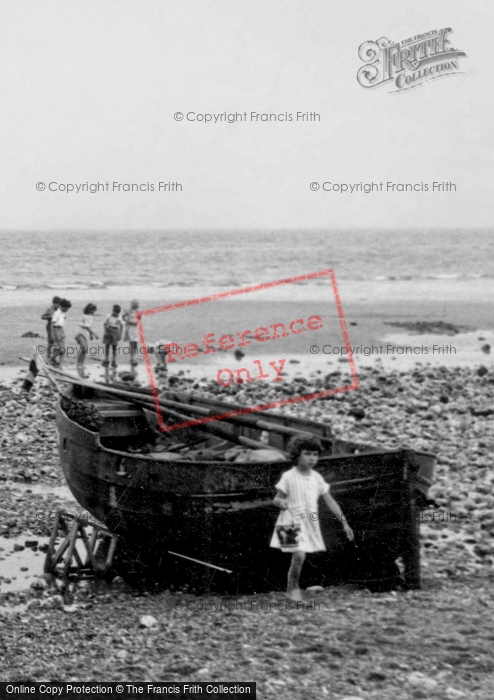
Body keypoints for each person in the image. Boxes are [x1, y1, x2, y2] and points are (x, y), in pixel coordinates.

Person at [271, 434, 354, 601]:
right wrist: (282, 503)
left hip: (309, 521)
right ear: (297, 455)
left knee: (302, 556)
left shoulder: (317, 478)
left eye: (315, 454)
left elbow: (330, 501)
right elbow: (276, 498)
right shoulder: (288, 476)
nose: (312, 458)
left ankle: (294, 587)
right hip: (289, 520)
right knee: (299, 555)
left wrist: (344, 522)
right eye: (307, 454)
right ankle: (292, 588)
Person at [75, 303, 98, 378]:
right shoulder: (85, 316)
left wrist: (91, 335)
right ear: (90, 310)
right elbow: (87, 327)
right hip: (80, 333)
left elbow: (89, 327)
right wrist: (94, 334)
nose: (94, 312)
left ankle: (81, 363)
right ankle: (79, 364)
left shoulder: (90, 317)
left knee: (84, 350)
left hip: (85, 334)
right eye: (93, 311)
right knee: (84, 348)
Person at [49, 299, 72, 367]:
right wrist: (52, 334)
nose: (67, 310)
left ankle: (56, 361)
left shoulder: (62, 313)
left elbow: (62, 320)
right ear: (62, 306)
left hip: (61, 330)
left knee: (61, 349)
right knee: (62, 349)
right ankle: (53, 360)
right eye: (66, 309)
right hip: (56, 330)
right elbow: (52, 324)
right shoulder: (57, 313)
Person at [102, 304, 123, 369]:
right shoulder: (109, 316)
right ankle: (106, 359)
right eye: (115, 312)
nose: (116, 314)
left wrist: (120, 334)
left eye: (117, 313)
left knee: (114, 347)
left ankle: (114, 360)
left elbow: (121, 325)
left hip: (116, 331)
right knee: (107, 346)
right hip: (108, 330)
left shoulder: (119, 317)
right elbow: (105, 324)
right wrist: (105, 331)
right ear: (113, 311)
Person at [41, 296, 61, 360]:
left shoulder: (58, 310)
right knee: (50, 343)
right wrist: (51, 316)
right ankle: (48, 357)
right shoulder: (50, 309)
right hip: (50, 326)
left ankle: (54, 358)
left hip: (57, 327)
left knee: (56, 342)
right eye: (58, 304)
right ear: (54, 303)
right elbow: (42, 317)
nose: (59, 306)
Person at [122, 299, 140, 366]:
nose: (138, 305)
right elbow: (123, 317)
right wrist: (128, 322)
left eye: (138, 304)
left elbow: (139, 319)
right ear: (133, 304)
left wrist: (137, 322)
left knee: (136, 343)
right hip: (130, 328)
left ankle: (134, 358)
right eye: (136, 304)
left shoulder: (138, 311)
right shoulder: (129, 311)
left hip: (136, 328)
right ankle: (131, 358)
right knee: (131, 343)